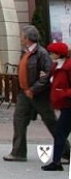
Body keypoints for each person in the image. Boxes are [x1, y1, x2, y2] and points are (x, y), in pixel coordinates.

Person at [4, 25, 70, 162]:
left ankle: (66, 151)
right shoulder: (25, 52)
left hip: (39, 94)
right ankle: (18, 152)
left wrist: (34, 89)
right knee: (19, 120)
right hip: (24, 93)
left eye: (22, 36)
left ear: (27, 38)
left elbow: (49, 73)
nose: (20, 38)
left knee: (51, 121)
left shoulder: (42, 53)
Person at [43, 42, 71, 171]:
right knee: (60, 132)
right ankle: (57, 161)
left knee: (60, 132)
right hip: (64, 105)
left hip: (68, 104)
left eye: (52, 52)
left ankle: (57, 162)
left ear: (58, 54)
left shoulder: (68, 66)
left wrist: (62, 93)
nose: (50, 54)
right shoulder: (56, 66)